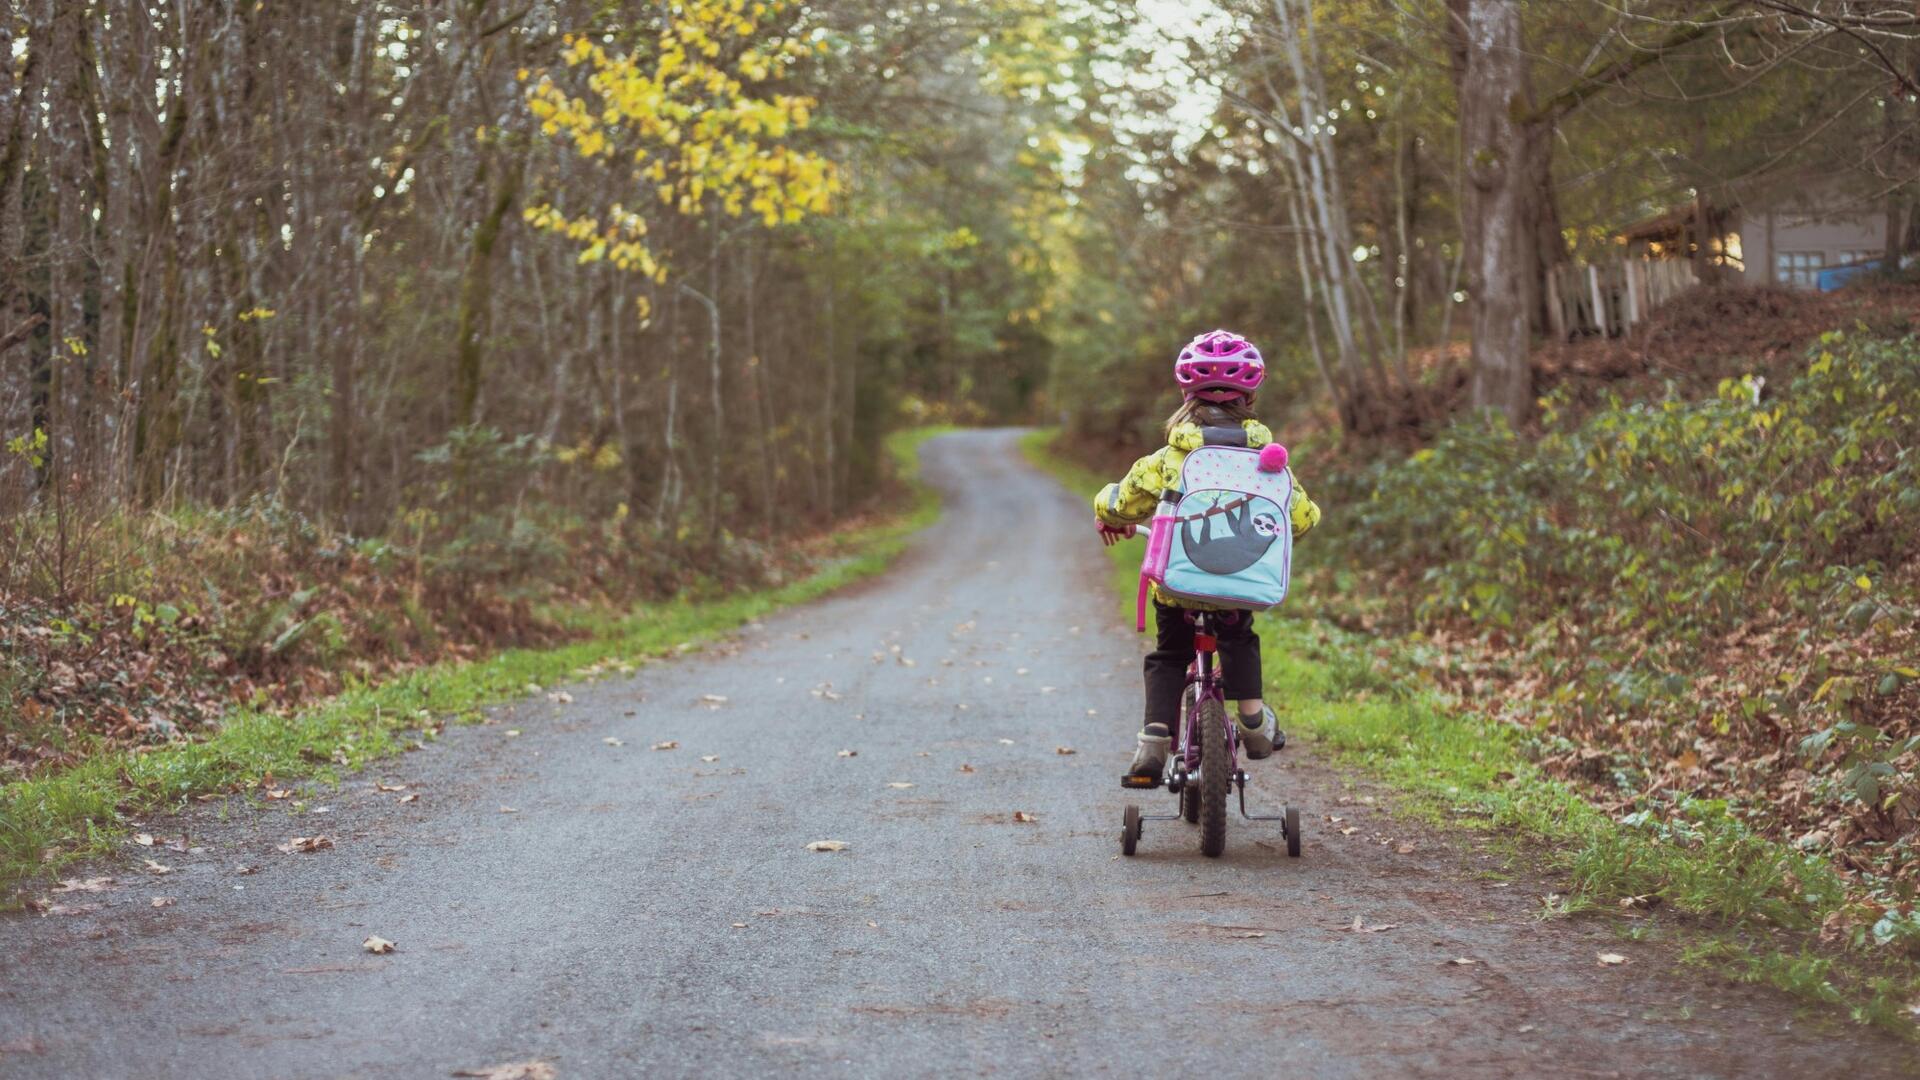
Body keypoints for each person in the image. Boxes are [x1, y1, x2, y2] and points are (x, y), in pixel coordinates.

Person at [1091, 330, 1321, 778]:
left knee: (1169, 654)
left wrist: (1106, 510)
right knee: (1238, 638)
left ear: (1185, 393)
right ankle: (1254, 721)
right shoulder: (1268, 461)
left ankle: (1154, 741)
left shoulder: (1170, 459)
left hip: (1178, 587)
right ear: (1251, 396)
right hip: (1238, 589)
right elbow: (1303, 518)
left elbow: (1123, 500)